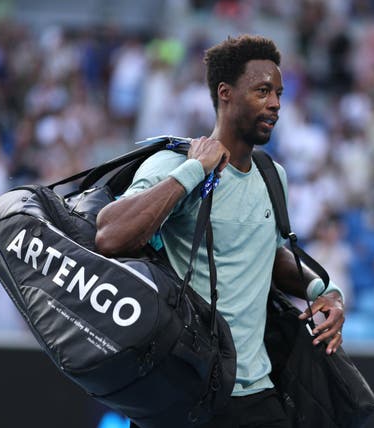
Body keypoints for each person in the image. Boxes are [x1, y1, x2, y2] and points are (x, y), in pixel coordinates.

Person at [95, 34, 346, 428]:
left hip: (256, 397)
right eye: (263, 91)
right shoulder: (172, 165)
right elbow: (110, 236)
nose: (276, 104)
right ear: (225, 93)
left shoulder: (272, 175)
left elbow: (268, 252)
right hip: (182, 396)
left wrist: (322, 291)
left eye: (278, 93)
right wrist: (195, 170)